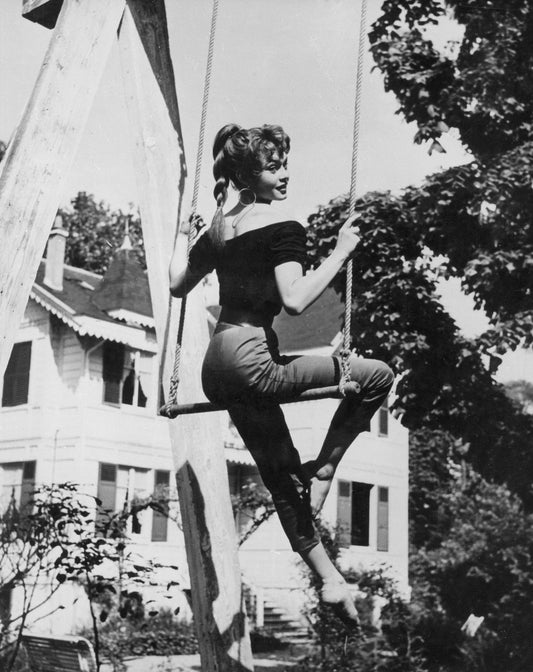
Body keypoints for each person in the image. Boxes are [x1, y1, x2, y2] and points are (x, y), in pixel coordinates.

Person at [169, 123, 394, 628]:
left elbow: (176, 284)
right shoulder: (283, 223)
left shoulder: (220, 228)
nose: (286, 175)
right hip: (252, 359)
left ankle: (329, 578)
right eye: (275, 167)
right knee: (377, 375)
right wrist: (339, 253)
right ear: (250, 174)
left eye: (285, 164)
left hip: (216, 364)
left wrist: (184, 238)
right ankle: (327, 468)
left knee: (278, 474)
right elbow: (293, 301)